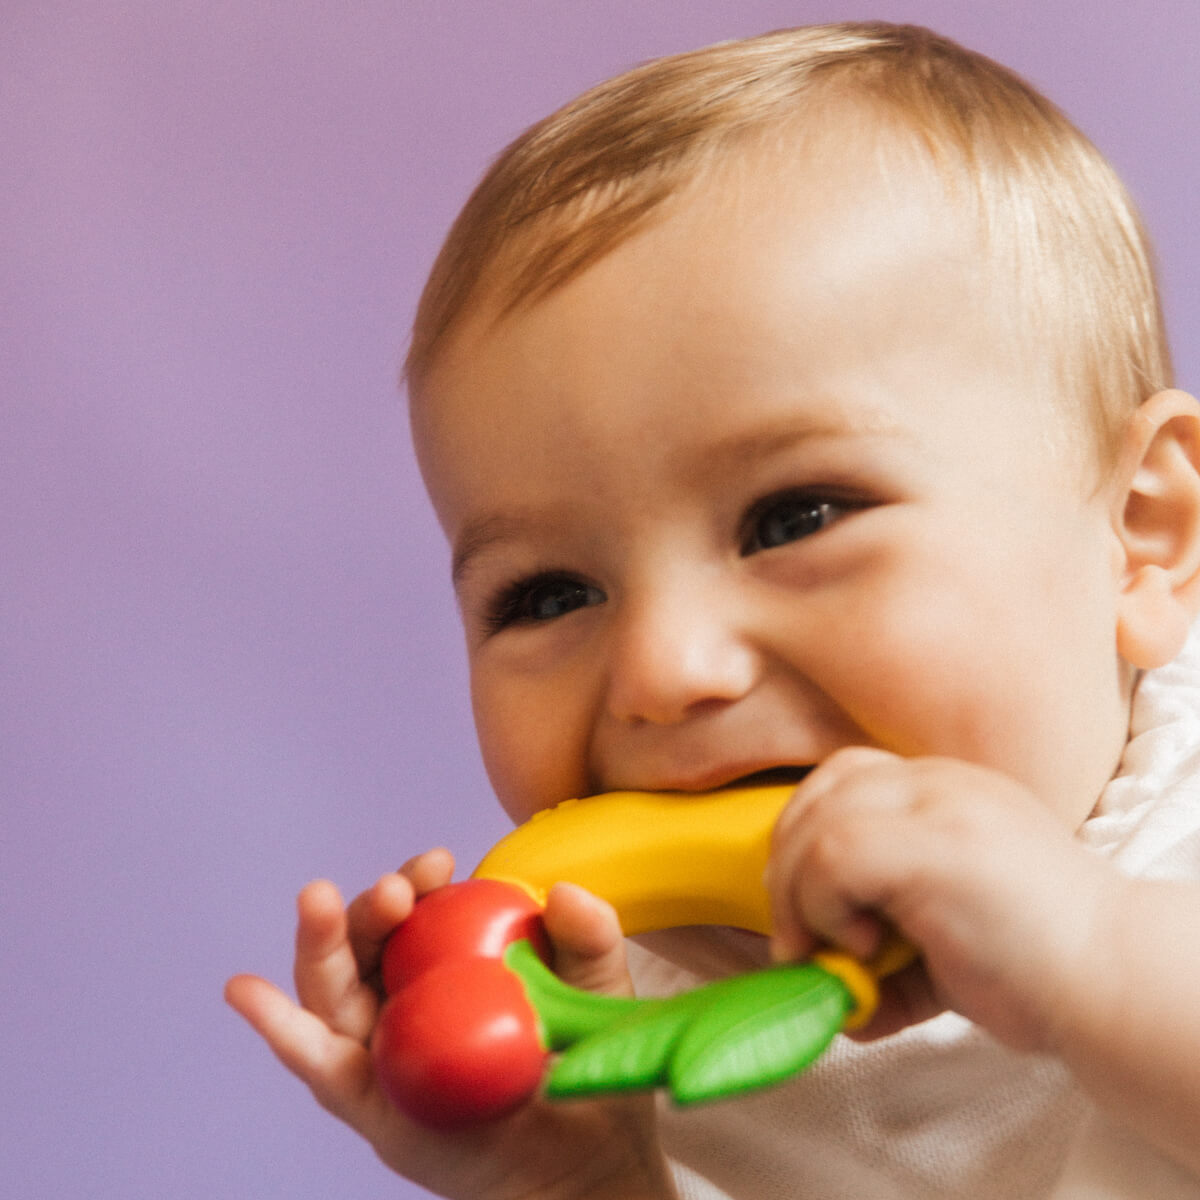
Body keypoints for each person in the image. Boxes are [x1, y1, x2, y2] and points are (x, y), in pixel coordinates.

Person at [225, 21, 1200, 1199]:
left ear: (1142, 535)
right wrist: (597, 1181)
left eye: (795, 518)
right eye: (547, 594)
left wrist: (1091, 953)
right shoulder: (618, 1018)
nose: (661, 668)